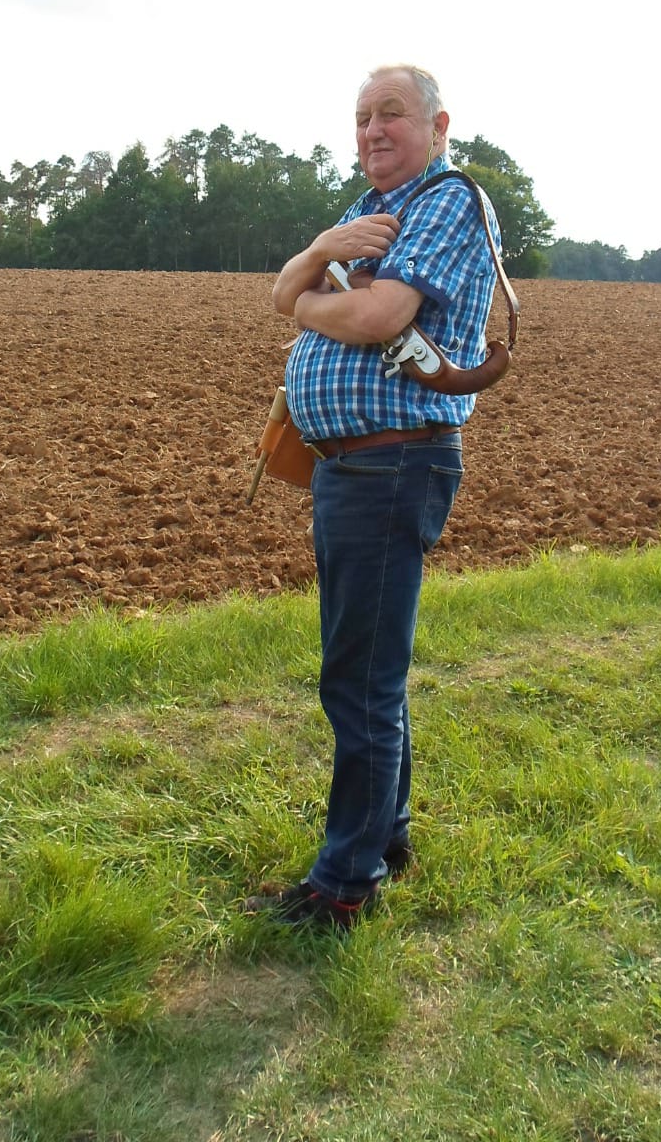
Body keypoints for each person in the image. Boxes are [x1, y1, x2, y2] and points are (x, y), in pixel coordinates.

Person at [246, 64, 501, 931]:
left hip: (392, 464)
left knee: (359, 679)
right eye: (361, 117)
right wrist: (323, 247)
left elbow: (378, 317)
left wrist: (314, 296)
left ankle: (343, 885)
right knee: (367, 673)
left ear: (438, 126)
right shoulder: (367, 211)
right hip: (352, 468)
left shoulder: (446, 202)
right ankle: (385, 839)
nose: (372, 130)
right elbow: (282, 289)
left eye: (391, 113)